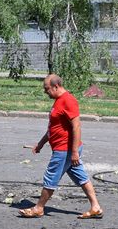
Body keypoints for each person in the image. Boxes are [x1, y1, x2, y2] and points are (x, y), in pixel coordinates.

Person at [19, 74, 103, 219]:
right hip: (65, 149)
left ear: (56, 86)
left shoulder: (68, 100)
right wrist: (40, 144)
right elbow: (54, 127)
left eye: (47, 89)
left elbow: (76, 126)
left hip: (65, 150)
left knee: (51, 177)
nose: (45, 92)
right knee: (81, 177)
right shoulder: (58, 100)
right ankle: (95, 207)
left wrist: (74, 152)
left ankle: (39, 208)